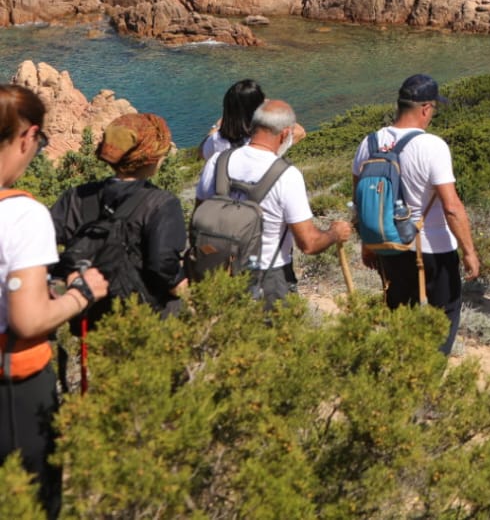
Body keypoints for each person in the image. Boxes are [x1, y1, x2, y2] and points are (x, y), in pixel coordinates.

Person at [1, 84, 109, 519]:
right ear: (28, 136)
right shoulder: (23, 214)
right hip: (14, 389)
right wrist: (81, 295)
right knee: (31, 502)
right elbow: (28, 321)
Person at [354, 75, 480, 355]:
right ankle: (429, 383)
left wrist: (367, 245)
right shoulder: (432, 146)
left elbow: (360, 202)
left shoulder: (370, 143)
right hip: (433, 249)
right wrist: (469, 251)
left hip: (388, 246)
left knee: (399, 314)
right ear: (425, 108)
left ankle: (402, 374)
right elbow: (451, 206)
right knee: (444, 315)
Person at [197, 99, 351, 307]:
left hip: (217, 272)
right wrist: (335, 233)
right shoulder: (287, 175)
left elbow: (199, 217)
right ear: (285, 133)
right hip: (268, 278)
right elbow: (309, 244)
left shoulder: (217, 161)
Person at [50, 112, 186, 324]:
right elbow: (163, 265)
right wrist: (181, 283)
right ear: (148, 157)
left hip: (85, 312)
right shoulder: (161, 204)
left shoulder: (76, 196)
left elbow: (41, 246)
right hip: (139, 319)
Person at [200, 79, 304, 160]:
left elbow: (202, 150)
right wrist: (270, 109)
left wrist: (216, 126)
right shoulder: (267, 139)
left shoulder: (217, 139)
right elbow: (300, 132)